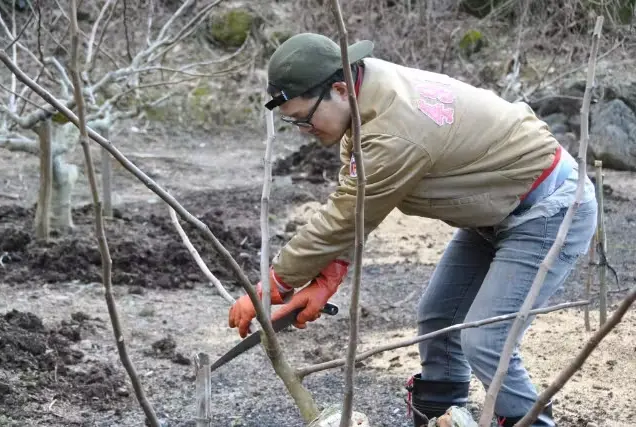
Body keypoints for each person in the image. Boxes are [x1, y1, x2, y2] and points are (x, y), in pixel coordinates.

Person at [227, 33, 598, 426]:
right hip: (495, 208)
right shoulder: (365, 90)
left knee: (487, 341)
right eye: (292, 122)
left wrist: (274, 285)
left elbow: (347, 214)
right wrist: (327, 276)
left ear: (338, 89)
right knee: (439, 318)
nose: (303, 129)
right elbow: (359, 201)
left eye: (304, 118)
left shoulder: (394, 130)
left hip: (548, 209)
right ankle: (442, 418)